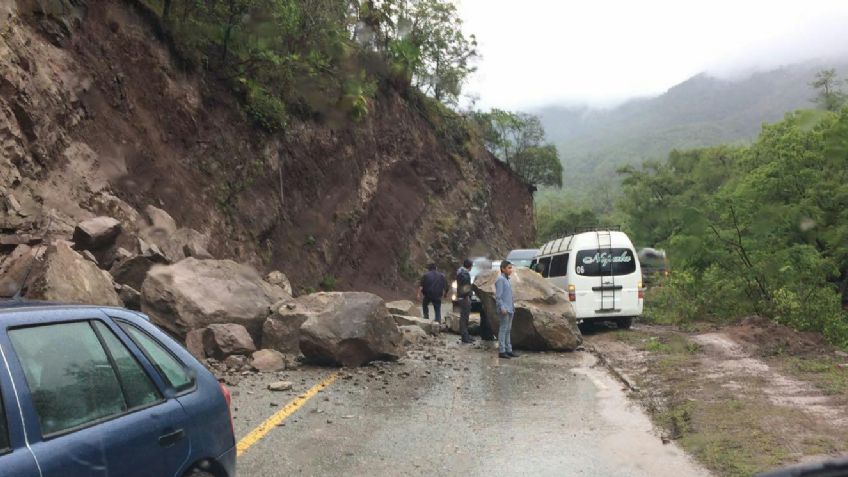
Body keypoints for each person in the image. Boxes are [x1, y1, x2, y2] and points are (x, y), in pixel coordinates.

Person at [495, 260, 518, 359]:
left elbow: (508, 295)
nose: (510, 270)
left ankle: (509, 350)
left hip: (510, 309)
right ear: (503, 269)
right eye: (508, 268)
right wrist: (502, 307)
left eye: (511, 268)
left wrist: (512, 307)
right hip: (504, 309)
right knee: (503, 329)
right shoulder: (500, 279)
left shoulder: (506, 279)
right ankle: (502, 350)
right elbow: (498, 296)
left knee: (508, 330)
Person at [455, 259, 474, 343]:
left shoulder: (460, 272)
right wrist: (468, 295)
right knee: (464, 318)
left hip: (461, 297)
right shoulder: (465, 274)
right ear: (469, 266)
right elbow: (466, 287)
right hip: (465, 298)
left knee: (464, 317)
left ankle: (466, 336)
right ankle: (465, 337)